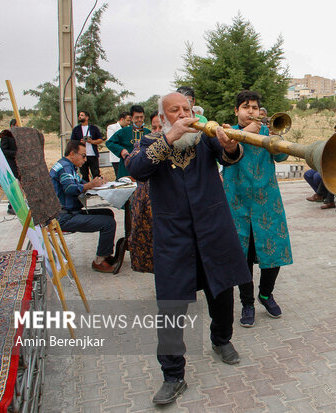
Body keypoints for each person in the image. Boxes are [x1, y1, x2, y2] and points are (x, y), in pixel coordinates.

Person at [127, 92, 251, 405]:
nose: (184, 113)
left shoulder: (205, 137)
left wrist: (230, 145)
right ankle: (172, 375)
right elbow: (139, 170)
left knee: (221, 290)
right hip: (174, 237)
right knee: (170, 306)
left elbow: (229, 157)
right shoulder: (151, 143)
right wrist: (171, 137)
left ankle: (221, 340)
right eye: (176, 110)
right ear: (163, 117)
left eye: (187, 108)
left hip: (213, 229)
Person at [222, 90, 293, 328]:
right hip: (237, 204)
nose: (250, 111)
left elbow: (282, 156)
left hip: (267, 203)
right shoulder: (227, 132)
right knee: (243, 258)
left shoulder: (266, 132)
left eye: (254, 107)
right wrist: (243, 133)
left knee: (274, 254)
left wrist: (276, 136)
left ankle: (266, 294)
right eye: (245, 107)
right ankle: (247, 303)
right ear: (236, 111)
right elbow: (222, 155)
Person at [50, 140, 117, 273]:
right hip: (64, 217)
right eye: (83, 155)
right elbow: (70, 188)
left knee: (108, 213)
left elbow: (81, 182)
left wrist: (96, 183)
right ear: (72, 154)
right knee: (108, 223)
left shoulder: (68, 166)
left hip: (70, 212)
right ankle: (99, 261)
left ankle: (105, 254)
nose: (85, 160)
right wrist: (90, 185)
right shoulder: (65, 167)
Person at [127, 111, 161, 273]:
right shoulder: (143, 144)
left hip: (168, 207)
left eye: (161, 126)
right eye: (154, 127)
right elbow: (132, 162)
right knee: (151, 248)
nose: (157, 131)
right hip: (146, 207)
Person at [106, 105, 151, 179]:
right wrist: (121, 150)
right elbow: (109, 143)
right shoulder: (124, 131)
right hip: (126, 169)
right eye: (136, 117)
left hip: (144, 168)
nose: (139, 120)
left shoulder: (148, 132)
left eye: (141, 117)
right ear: (131, 118)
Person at [70, 110, 104, 182]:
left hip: (92, 154)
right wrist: (80, 143)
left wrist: (91, 141)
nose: (80, 117)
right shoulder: (76, 129)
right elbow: (72, 141)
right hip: (82, 155)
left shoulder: (94, 128)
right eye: (79, 115)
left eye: (82, 115)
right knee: (84, 174)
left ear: (87, 117)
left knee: (96, 174)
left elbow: (100, 140)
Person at [106, 112, 132, 179]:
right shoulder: (112, 127)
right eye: (128, 120)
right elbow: (111, 142)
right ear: (122, 119)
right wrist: (121, 150)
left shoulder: (129, 129)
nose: (129, 123)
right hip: (117, 158)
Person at [0, 129, 18, 214]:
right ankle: (11, 206)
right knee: (13, 185)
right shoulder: (6, 137)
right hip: (10, 166)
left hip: (18, 166)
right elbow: (3, 151)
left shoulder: (18, 137)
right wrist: (15, 153)